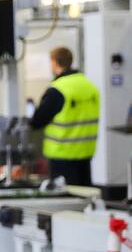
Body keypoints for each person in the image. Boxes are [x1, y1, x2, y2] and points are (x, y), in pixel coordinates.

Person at [29, 46, 100, 186]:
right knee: (84, 195)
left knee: (67, 197)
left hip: (62, 155)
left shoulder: (58, 90)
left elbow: (37, 120)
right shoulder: (90, 86)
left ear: (54, 63)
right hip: (86, 153)